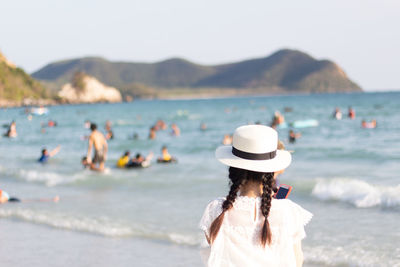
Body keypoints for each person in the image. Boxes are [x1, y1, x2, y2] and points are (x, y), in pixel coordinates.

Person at [199, 125, 312, 267]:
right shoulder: (288, 211)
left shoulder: (215, 211)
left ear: (233, 170)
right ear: (272, 171)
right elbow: (297, 260)